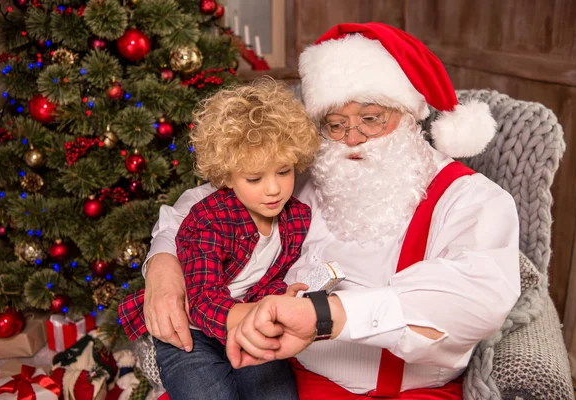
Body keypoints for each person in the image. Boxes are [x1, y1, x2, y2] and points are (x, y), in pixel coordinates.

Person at [140, 23, 521, 399]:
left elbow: (477, 297)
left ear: (409, 113)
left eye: (371, 118)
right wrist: (163, 263)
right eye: (336, 124)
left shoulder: (469, 198)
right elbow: (204, 202)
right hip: (282, 374)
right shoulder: (304, 174)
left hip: (397, 393)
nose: (352, 138)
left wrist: (325, 314)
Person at [118, 78, 320, 399]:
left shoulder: (296, 217)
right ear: (226, 175)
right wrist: (262, 315)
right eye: (254, 178)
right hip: (191, 331)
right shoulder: (209, 218)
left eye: (283, 171)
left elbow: (269, 280)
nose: (273, 189)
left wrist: (284, 299)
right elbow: (201, 300)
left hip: (248, 321)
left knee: (278, 393)